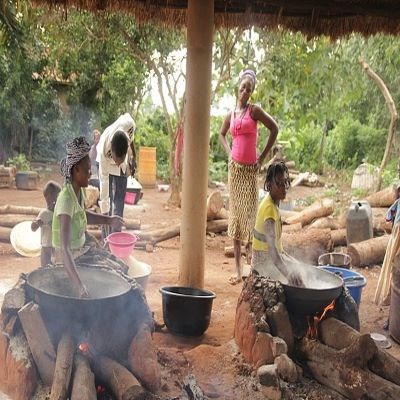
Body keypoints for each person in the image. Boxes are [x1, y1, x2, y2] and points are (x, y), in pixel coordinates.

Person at [219, 69, 279, 284]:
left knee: (252, 217)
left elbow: (274, 129)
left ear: (252, 92)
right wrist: (229, 154)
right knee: (235, 218)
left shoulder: (255, 111)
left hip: (250, 172)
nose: (245, 91)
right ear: (238, 88)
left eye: (249, 89)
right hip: (235, 172)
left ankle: (251, 264)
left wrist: (261, 158)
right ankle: (237, 270)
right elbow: (221, 133)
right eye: (242, 87)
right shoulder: (231, 114)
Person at [52, 136, 126, 298]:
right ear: (76, 169)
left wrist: (109, 220)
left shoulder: (79, 190)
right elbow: (64, 248)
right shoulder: (66, 199)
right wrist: (79, 287)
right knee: (114, 273)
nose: (91, 172)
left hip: (80, 248)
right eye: (87, 169)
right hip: (68, 256)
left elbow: (81, 214)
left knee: (120, 266)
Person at [251, 161, 304, 286]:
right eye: (279, 183)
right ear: (269, 185)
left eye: (285, 182)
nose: (284, 187)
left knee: (300, 269)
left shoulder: (274, 202)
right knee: (297, 280)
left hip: (271, 257)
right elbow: (272, 252)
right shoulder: (269, 209)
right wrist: (288, 273)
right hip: (263, 263)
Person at [96, 113, 136, 236]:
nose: (117, 164)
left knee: (119, 199)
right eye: (116, 160)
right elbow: (104, 194)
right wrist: (105, 217)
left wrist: (134, 157)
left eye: (121, 159)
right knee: (108, 199)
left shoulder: (130, 124)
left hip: (121, 165)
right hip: (106, 165)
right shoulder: (104, 150)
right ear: (111, 152)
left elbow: (131, 139)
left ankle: (116, 234)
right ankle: (105, 236)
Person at [31, 180, 61, 266]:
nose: (56, 200)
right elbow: (33, 228)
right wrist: (36, 223)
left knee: (55, 267)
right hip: (46, 247)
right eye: (55, 197)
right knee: (45, 267)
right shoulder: (44, 213)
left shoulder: (59, 213)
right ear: (48, 197)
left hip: (57, 247)